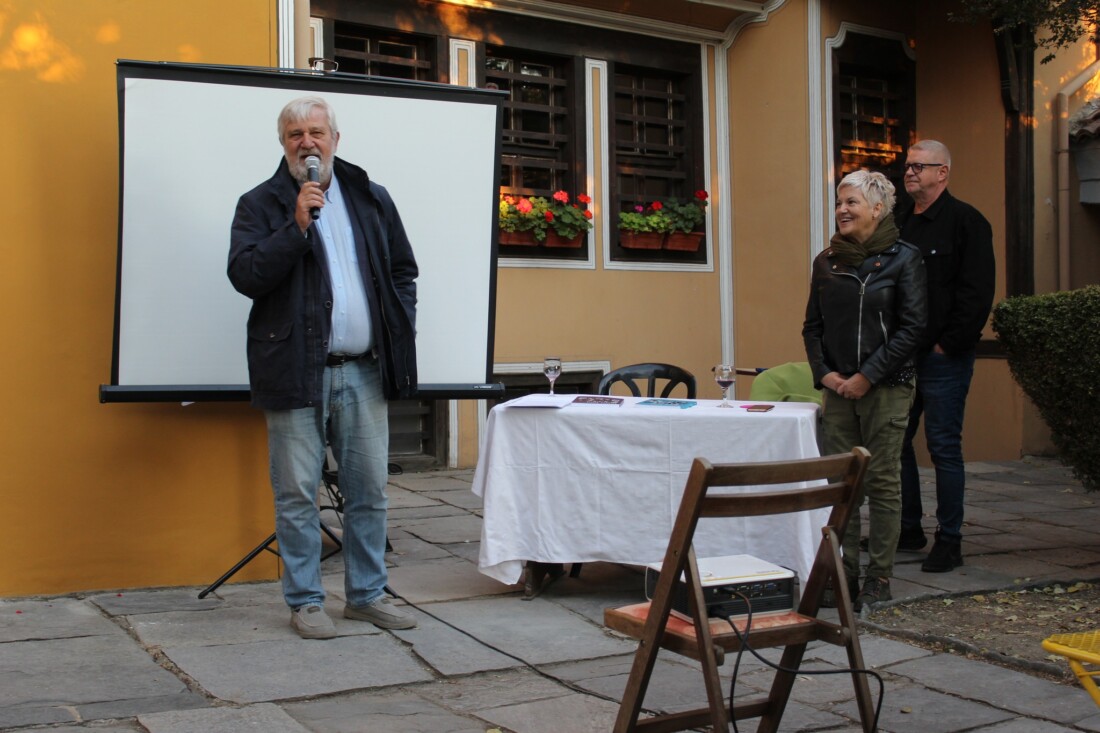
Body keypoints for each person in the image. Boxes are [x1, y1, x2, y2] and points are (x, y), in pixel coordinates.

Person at [228, 96, 419, 639]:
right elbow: (245, 275)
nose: (306, 142)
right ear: (283, 144)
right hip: (293, 368)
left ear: (335, 139)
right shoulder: (260, 203)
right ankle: (306, 600)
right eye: (295, 134)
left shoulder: (369, 197)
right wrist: (295, 228)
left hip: (363, 370)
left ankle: (366, 595)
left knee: (368, 491)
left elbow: (403, 269)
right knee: (296, 494)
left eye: (316, 131)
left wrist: (398, 321)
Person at [803, 170, 927, 610]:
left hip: (887, 387)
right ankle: (844, 574)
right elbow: (812, 327)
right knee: (842, 484)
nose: (842, 209)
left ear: (877, 208)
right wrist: (827, 376)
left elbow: (912, 328)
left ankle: (880, 577)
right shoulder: (826, 261)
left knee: (882, 481)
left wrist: (867, 375)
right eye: (839, 202)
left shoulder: (903, 259)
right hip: (838, 390)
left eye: (851, 202)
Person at [895, 140, 995, 573]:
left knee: (943, 448)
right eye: (908, 166)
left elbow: (977, 292)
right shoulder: (897, 221)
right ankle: (907, 527)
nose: (911, 172)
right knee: (896, 440)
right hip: (900, 355)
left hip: (942, 357)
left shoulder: (966, 221)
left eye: (920, 166)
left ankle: (949, 539)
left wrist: (947, 344)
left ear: (943, 173)